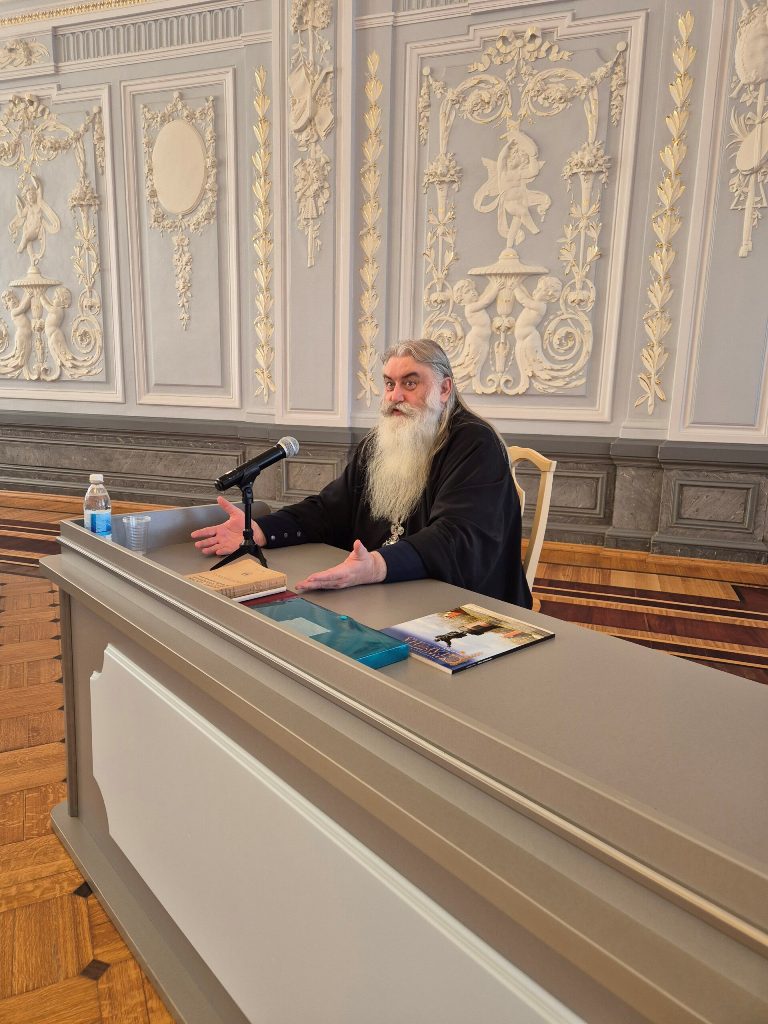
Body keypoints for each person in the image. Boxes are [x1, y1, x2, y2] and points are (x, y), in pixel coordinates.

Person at [191, 338, 531, 608]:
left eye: (410, 383)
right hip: (388, 594)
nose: (395, 396)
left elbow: (458, 538)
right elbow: (330, 510)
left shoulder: (475, 443)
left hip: (461, 605)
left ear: (444, 389)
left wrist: (378, 565)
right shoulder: (380, 442)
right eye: (389, 384)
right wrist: (261, 529)